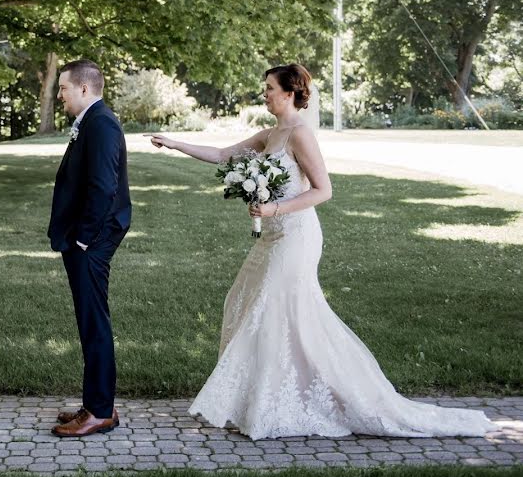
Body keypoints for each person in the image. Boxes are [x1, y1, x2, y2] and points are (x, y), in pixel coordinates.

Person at [147, 63, 495, 439]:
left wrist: (273, 208)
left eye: (269, 87)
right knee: (245, 301)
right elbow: (220, 155)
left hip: (296, 235)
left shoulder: (300, 134)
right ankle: (271, 398)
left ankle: (322, 399)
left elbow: (323, 191)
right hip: (272, 237)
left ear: (290, 93)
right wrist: (175, 143)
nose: (263, 93)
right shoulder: (270, 133)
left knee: (274, 308)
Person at [48, 59, 131, 437]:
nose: (59, 94)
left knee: (94, 324)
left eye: (63, 88)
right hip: (85, 239)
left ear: (84, 89)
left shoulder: (101, 123)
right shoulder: (91, 122)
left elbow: (103, 187)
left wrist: (82, 239)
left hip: (91, 241)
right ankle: (97, 402)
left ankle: (99, 412)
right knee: (89, 322)